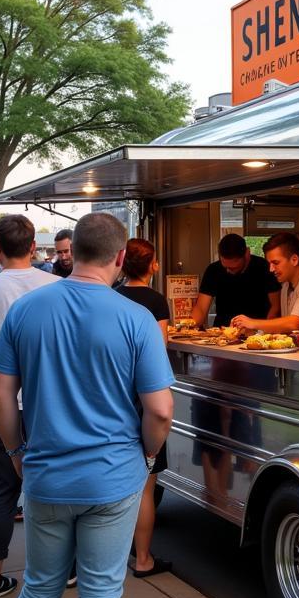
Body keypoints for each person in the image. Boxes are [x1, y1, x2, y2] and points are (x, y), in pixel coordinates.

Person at [0, 212, 173, 598]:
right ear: (120, 259)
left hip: (46, 474)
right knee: (100, 591)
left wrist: (17, 451)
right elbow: (159, 409)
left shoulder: (26, 310)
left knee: (42, 583)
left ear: (71, 252)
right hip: (113, 479)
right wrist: (148, 455)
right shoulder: (134, 317)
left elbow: (0, 396)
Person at [0, 215, 58, 598]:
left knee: (2, 492)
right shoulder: (57, 286)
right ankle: (63, 569)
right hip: (49, 400)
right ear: (34, 246)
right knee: (55, 487)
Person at [116, 238, 173, 578]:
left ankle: (115, 548)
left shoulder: (112, 295)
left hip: (115, 395)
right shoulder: (155, 301)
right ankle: (143, 559)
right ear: (152, 265)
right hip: (144, 398)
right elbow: (158, 351)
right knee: (146, 484)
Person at [190, 232, 280, 328]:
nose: (228, 271)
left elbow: (275, 306)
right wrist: (190, 324)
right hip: (222, 332)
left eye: (233, 268)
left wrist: (265, 330)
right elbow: (201, 308)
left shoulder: (265, 268)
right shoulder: (213, 270)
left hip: (256, 332)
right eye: (225, 266)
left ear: (247, 254)